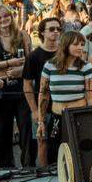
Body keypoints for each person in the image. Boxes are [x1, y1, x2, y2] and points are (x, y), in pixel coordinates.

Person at [0, 3, 34, 168]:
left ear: (12, 17)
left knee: (26, 129)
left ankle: (28, 166)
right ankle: (4, 168)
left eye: (6, 16)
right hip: (0, 89)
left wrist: (21, 70)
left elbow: (31, 61)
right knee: (1, 131)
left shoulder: (22, 35)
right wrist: (9, 63)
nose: (3, 20)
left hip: (21, 88)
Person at [38, 31, 92, 160]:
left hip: (78, 118)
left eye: (82, 44)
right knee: (54, 154)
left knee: (79, 154)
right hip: (57, 118)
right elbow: (43, 95)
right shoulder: (50, 66)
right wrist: (41, 121)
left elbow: (91, 96)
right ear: (65, 45)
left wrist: (91, 121)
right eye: (76, 44)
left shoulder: (86, 66)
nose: (80, 47)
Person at [23, 17, 62, 167]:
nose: (56, 32)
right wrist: (35, 110)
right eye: (51, 29)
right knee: (42, 142)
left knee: (63, 142)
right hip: (43, 107)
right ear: (42, 33)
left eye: (58, 29)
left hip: (62, 106)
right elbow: (27, 85)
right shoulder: (34, 56)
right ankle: (45, 173)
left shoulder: (64, 53)